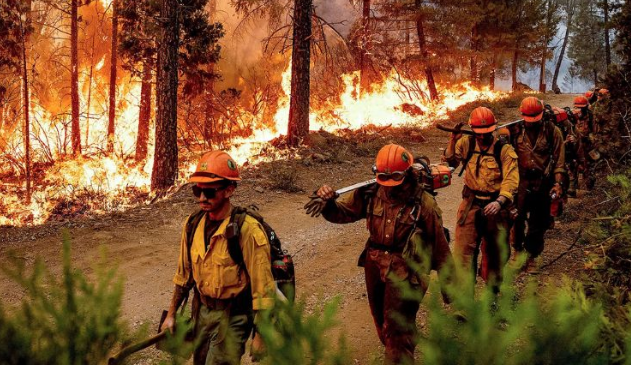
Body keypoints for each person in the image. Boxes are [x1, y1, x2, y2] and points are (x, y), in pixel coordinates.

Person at [305, 144, 451, 365]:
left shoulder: (424, 203)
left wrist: (454, 292)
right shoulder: (370, 193)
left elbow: (440, 248)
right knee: (382, 323)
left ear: (407, 174)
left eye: (395, 178)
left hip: (407, 270)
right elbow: (344, 213)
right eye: (383, 178)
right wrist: (327, 202)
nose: (389, 186)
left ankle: (401, 347)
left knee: (396, 330)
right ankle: (403, 341)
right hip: (374, 264)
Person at [163, 150, 275, 365]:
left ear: (229, 190)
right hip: (202, 312)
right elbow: (184, 276)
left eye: (209, 192)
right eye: (197, 190)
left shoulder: (248, 230)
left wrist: (261, 335)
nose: (202, 198)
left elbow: (264, 287)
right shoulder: (192, 224)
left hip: (233, 316)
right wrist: (171, 314)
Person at [442, 106, 519, 289]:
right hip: (471, 204)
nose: (482, 137)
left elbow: (511, 180)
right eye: (479, 133)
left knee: (495, 254)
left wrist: (500, 202)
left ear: (493, 129)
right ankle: (465, 297)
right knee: (463, 252)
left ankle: (492, 293)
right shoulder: (466, 143)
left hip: (495, 205)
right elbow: (451, 162)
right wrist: (453, 140)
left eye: (486, 133)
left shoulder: (504, 150)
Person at [510, 97, 566, 273]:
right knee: (516, 218)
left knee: (538, 221)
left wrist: (558, 184)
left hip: (542, 181)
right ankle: (517, 250)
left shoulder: (552, 131)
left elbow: (559, 161)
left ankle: (533, 255)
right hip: (520, 182)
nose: (532, 122)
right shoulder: (514, 131)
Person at [573, 96, 595, 190]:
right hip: (574, 144)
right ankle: (573, 187)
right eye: (577, 107)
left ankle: (589, 186)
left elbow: (594, 130)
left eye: (581, 107)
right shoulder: (572, 115)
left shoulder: (591, 116)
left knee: (588, 165)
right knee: (573, 164)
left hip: (586, 145)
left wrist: (591, 138)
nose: (579, 109)